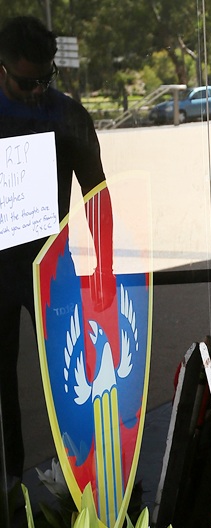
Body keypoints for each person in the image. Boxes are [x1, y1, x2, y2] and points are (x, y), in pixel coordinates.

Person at [0, 15, 111, 486]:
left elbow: (98, 195)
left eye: (47, 78)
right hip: (1, 270)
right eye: (28, 81)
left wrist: (104, 267)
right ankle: (9, 489)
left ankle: (88, 478)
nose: (38, 89)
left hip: (51, 266)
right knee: (4, 388)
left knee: (72, 380)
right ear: (2, 68)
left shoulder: (64, 114)